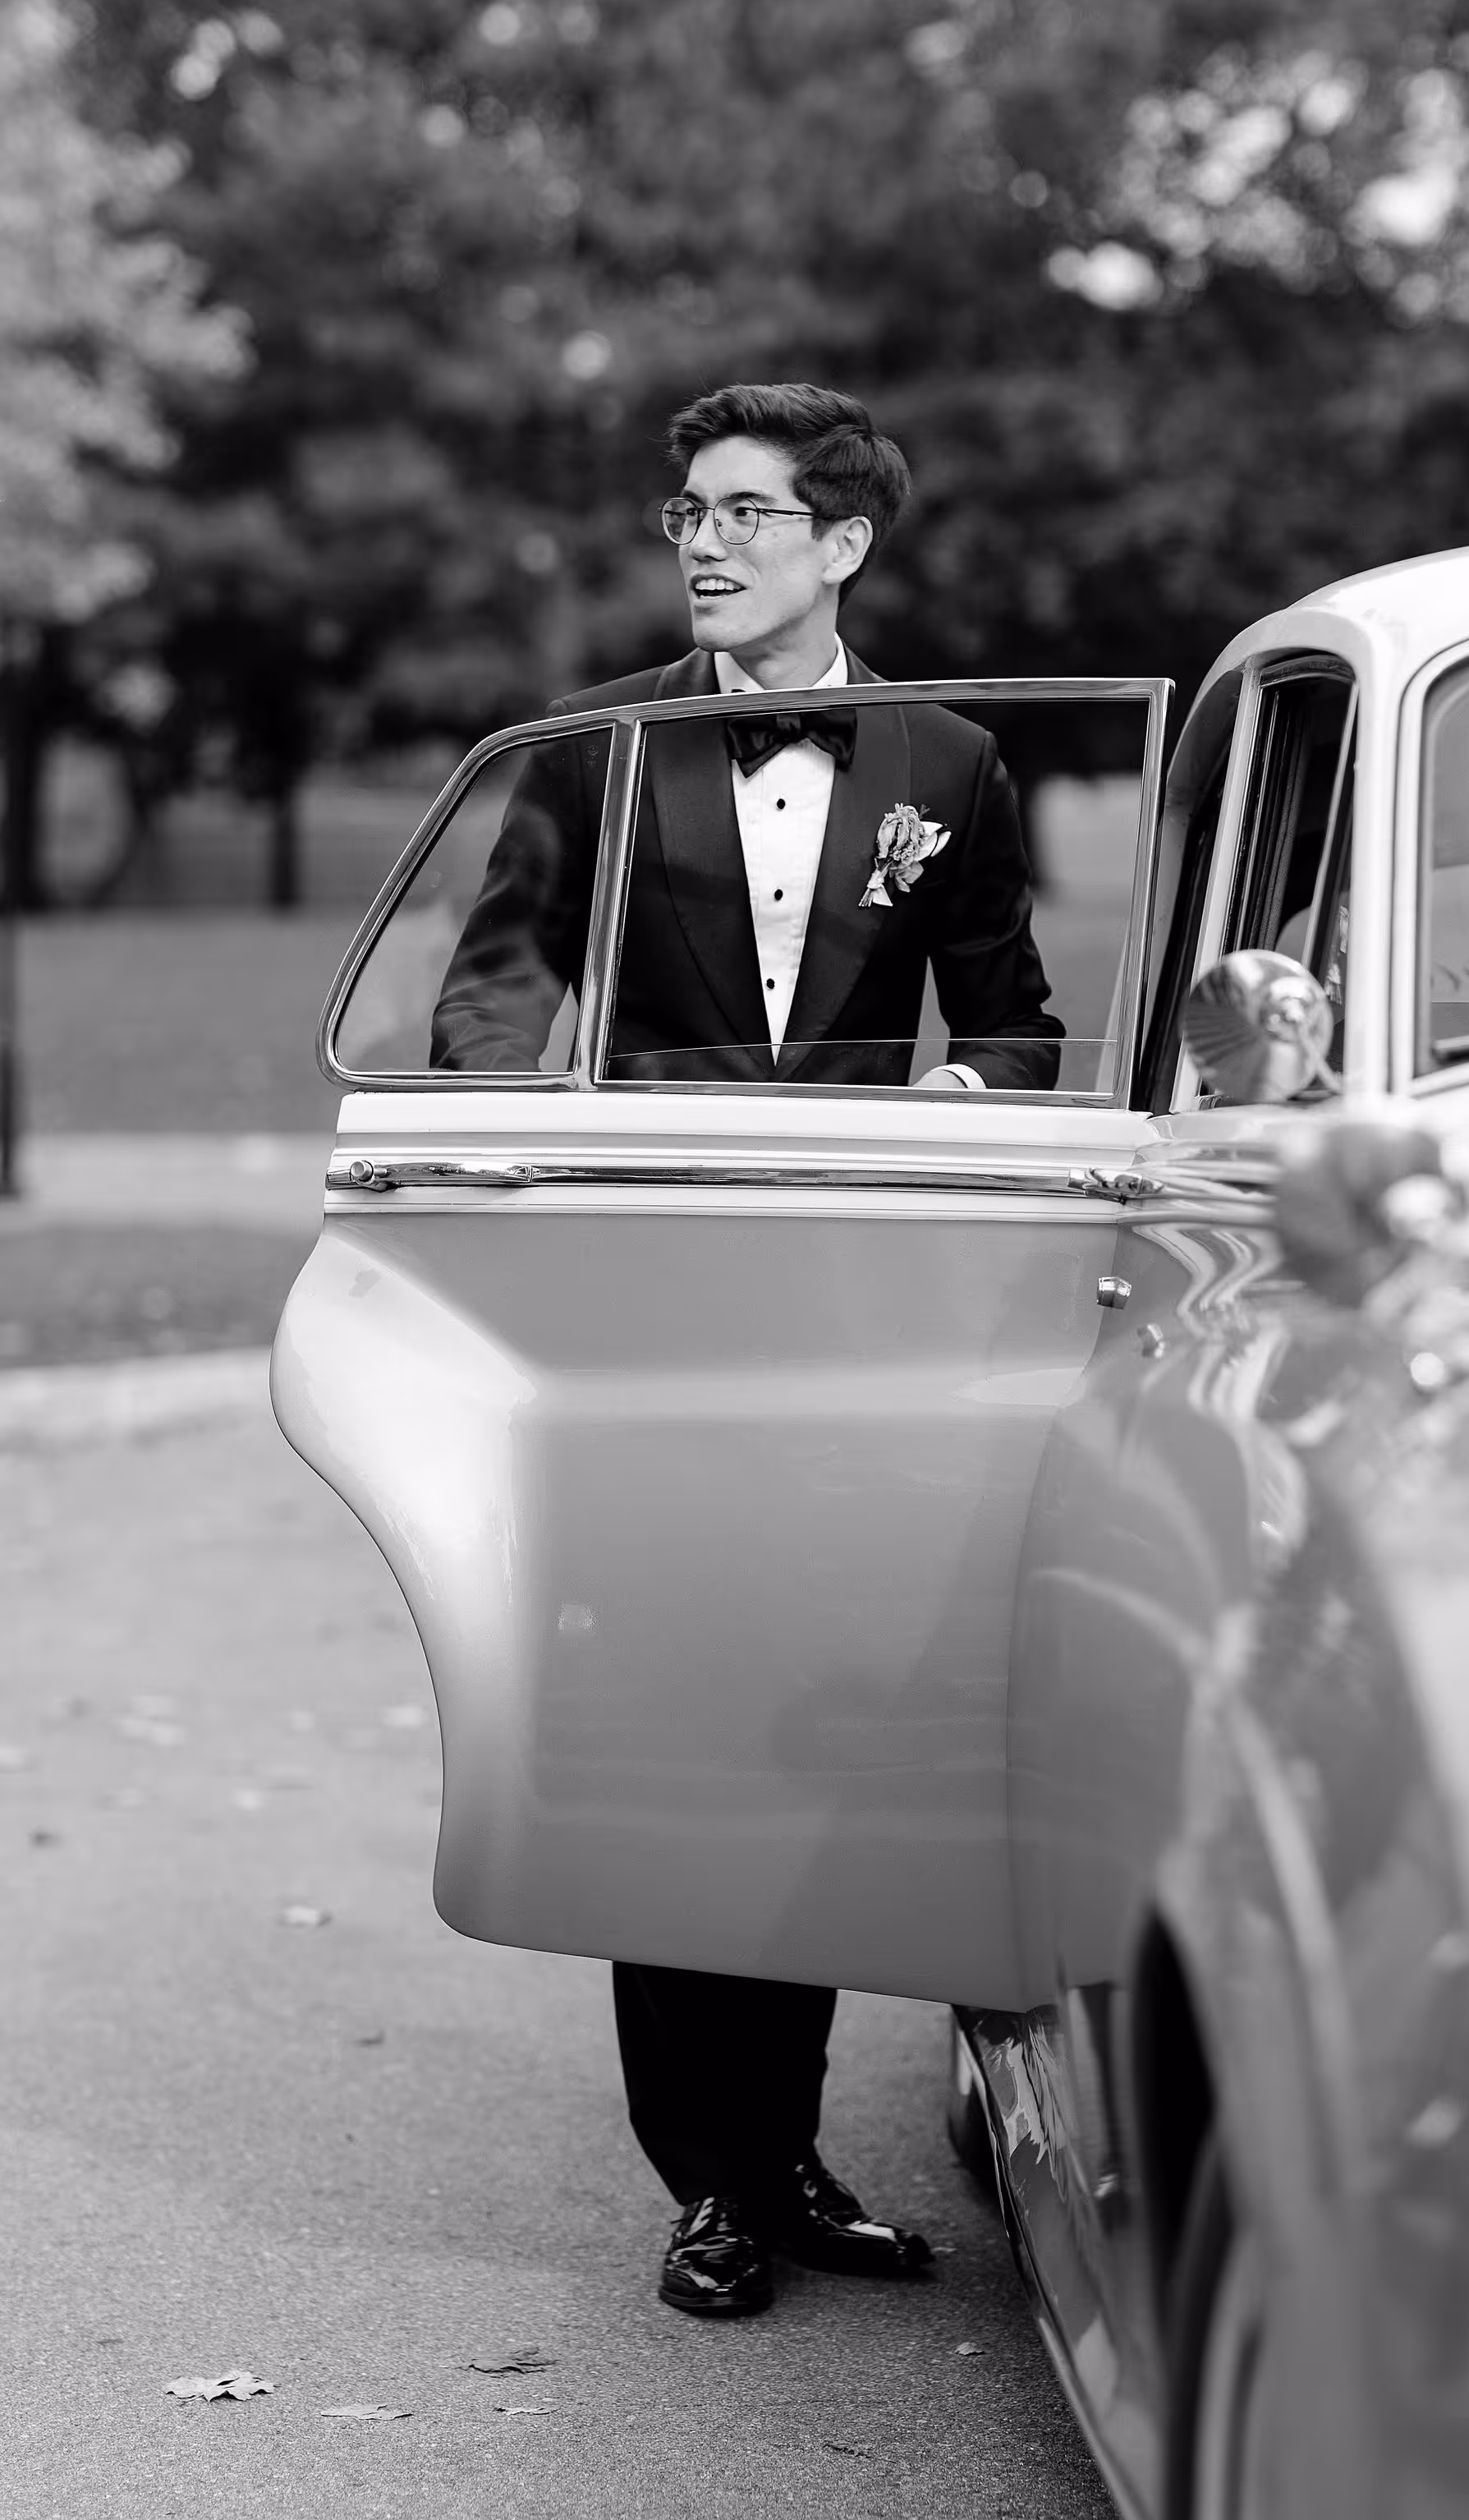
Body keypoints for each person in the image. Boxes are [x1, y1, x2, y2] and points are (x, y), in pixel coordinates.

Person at [431, 382, 1061, 2317]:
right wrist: (503, 1174)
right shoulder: (594, 746)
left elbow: (1014, 1020)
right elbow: (496, 983)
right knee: (680, 1732)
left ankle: (786, 2157)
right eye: (688, 511)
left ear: (842, 544)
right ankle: (706, 2182)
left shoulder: (949, 760)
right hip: (657, 1302)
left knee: (819, 1724)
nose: (701, 541)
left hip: (861, 1319)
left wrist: (977, 1136)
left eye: (744, 512)